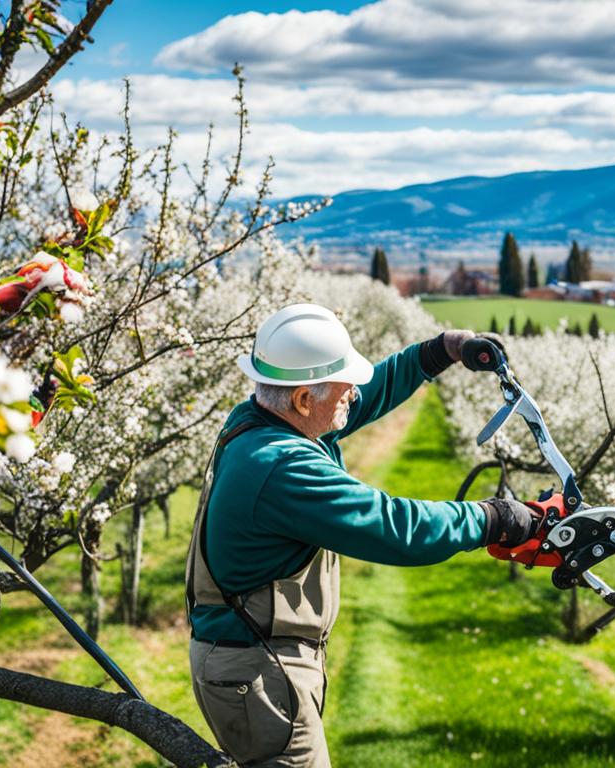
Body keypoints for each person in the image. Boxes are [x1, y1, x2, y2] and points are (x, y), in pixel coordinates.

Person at [185, 303, 539, 767]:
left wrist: (440, 351)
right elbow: (394, 528)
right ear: (304, 401)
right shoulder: (282, 466)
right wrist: (495, 519)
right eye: (342, 383)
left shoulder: (262, 419)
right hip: (258, 671)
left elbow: (365, 397)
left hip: (250, 660)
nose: (354, 391)